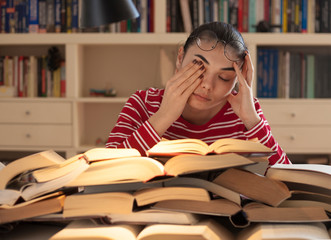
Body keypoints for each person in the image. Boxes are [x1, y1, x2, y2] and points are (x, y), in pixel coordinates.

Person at [106, 22, 290, 165]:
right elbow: (103, 171)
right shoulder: (143, 103)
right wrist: (164, 117)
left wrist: (252, 121)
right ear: (180, 58)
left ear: (237, 80)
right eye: (198, 68)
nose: (207, 85)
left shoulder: (247, 112)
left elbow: (287, 181)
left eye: (224, 77)